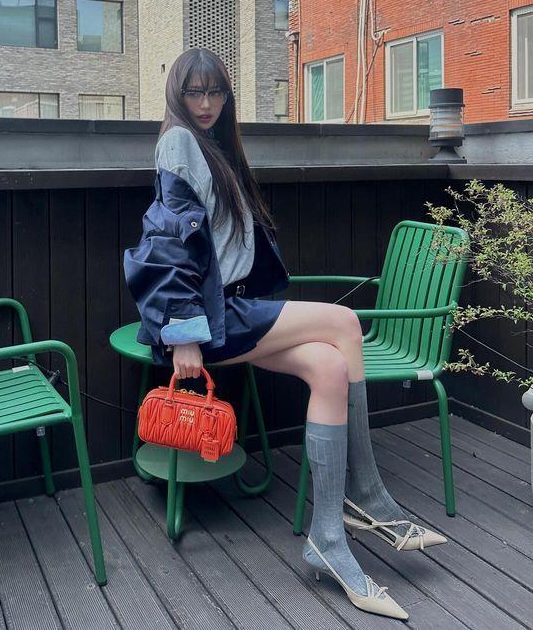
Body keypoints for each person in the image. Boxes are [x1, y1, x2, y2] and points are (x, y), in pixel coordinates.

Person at [124, 48, 448, 621]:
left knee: (329, 366)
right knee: (345, 322)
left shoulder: (214, 146)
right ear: (177, 94)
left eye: (215, 92)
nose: (205, 103)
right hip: (214, 319)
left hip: (235, 309)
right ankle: (368, 495)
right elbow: (168, 242)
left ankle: (327, 537)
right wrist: (185, 335)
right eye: (194, 92)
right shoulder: (178, 143)